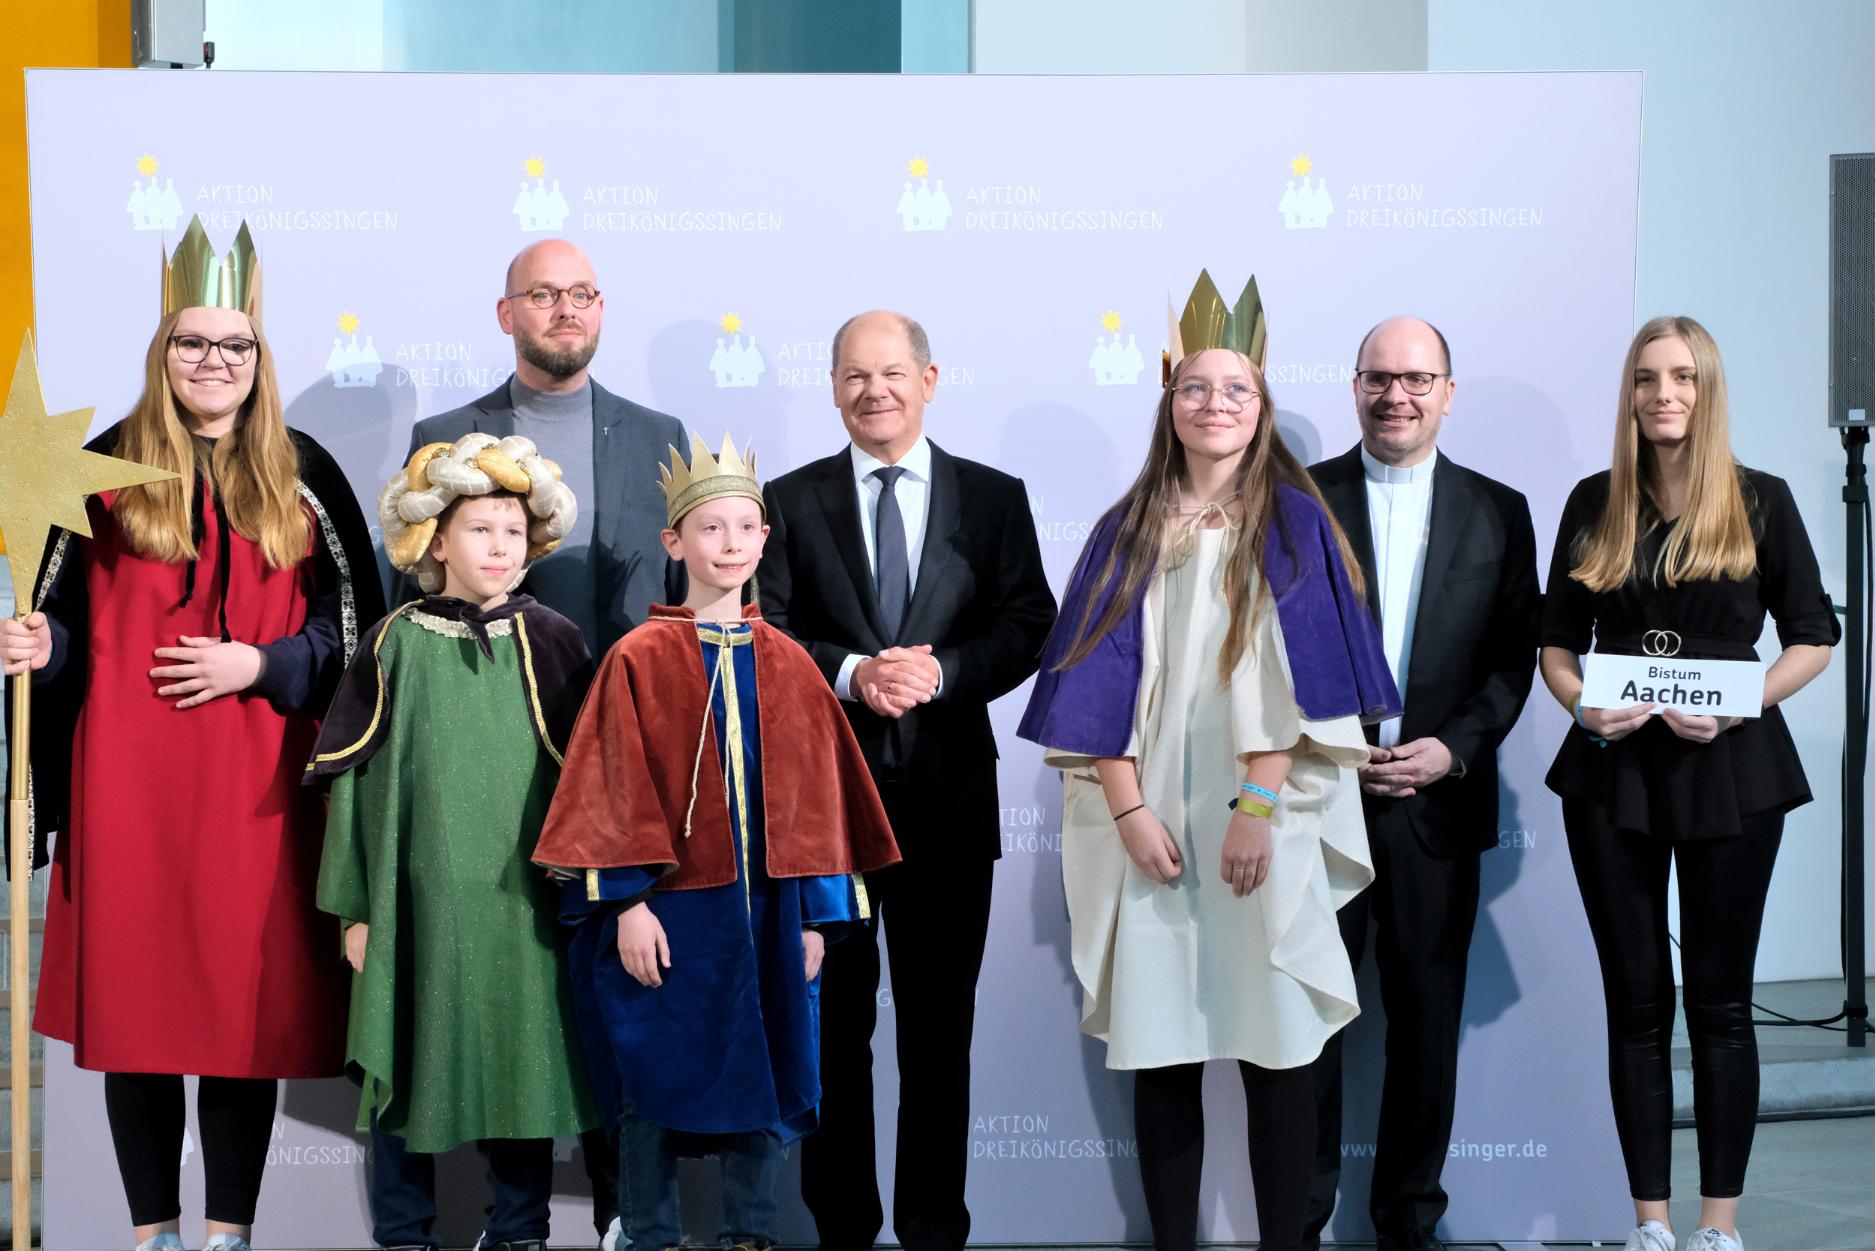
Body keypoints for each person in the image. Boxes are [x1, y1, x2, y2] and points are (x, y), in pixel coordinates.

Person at [0, 216, 384, 1251]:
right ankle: (151, 1231)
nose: (213, 363)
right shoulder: (98, 470)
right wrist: (45, 645)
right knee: (139, 1019)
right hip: (125, 785)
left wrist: (259, 665)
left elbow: (353, 637)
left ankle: (229, 1232)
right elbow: (70, 626)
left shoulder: (302, 474)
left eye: (234, 346)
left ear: (260, 358)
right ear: (162, 350)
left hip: (252, 791)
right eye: (193, 343)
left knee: (233, 1022)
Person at [1018, 280, 1399, 1251]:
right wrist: (1132, 811)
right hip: (1147, 826)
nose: (1215, 405)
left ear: (1262, 405)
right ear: (1169, 403)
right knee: (1164, 1052)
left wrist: (1257, 804)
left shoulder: (1300, 527)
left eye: (1235, 389)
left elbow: (1307, 684)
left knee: (1278, 1051)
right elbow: (1092, 686)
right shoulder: (1122, 530)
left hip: (1261, 820)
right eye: (1196, 388)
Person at [533, 433, 901, 1251]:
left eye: (744, 528)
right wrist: (626, 903)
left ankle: (750, 1233)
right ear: (674, 542)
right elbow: (611, 790)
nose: (729, 544)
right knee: (651, 1079)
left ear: (764, 539)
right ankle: (649, 1231)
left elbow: (821, 805)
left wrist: (814, 916)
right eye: (709, 529)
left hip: (768, 912)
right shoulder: (637, 658)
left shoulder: (791, 665)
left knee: (760, 1069)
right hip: (669, 914)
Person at [403, 238, 686, 1246]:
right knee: (505, 988)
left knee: (617, 991)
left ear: (601, 309)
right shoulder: (443, 435)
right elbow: (418, 607)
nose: (565, 311)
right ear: (504, 312)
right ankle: (511, 1221)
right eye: (542, 295)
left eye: (581, 295)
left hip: (621, 770)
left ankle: (624, 1217)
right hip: (486, 774)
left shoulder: (663, 435)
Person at [758, 310, 1057, 1251]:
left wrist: (942, 673)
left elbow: (1027, 618)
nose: (872, 390)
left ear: (930, 380)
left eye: (891, 372)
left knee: (939, 1033)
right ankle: (840, 1228)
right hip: (824, 811)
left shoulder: (992, 496)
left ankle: (934, 1229)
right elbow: (763, 630)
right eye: (853, 375)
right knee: (831, 1032)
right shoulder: (787, 499)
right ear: (832, 385)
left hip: (949, 804)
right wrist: (852, 673)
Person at [1538, 316, 1836, 1251]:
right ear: (1626, 393)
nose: (1662, 394)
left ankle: (1717, 1228)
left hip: (1731, 772)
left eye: (1681, 378)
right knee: (1633, 1003)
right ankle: (1649, 1226)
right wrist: (1584, 706)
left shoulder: (1761, 499)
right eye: (1644, 378)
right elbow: (1554, 645)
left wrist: (1741, 698)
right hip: (1611, 772)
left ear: (1706, 390)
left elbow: (1813, 636)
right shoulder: (1594, 501)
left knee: (1718, 1002)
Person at [308, 434, 598, 1251]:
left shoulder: (556, 640)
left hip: (524, 909)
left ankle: (520, 1230)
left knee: (521, 1058)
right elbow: (356, 786)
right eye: (480, 528)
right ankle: (404, 1232)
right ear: (437, 541)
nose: (501, 545)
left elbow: (591, 785)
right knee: (405, 1045)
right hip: (418, 905)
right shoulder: (396, 641)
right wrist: (357, 910)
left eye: (513, 529)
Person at [1304, 316, 1541, 1251]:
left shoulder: (1501, 509)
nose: (1394, 395)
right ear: (1352, 385)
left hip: (1438, 807)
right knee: (1306, 1028)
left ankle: (1407, 1221)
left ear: (1448, 391)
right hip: (1318, 805)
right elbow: (1268, 654)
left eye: (1415, 378)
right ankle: (1299, 1219)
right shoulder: (1299, 503)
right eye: (1377, 377)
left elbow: (1512, 659)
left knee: (1426, 1026)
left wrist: (1455, 747)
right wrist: (1321, 747)